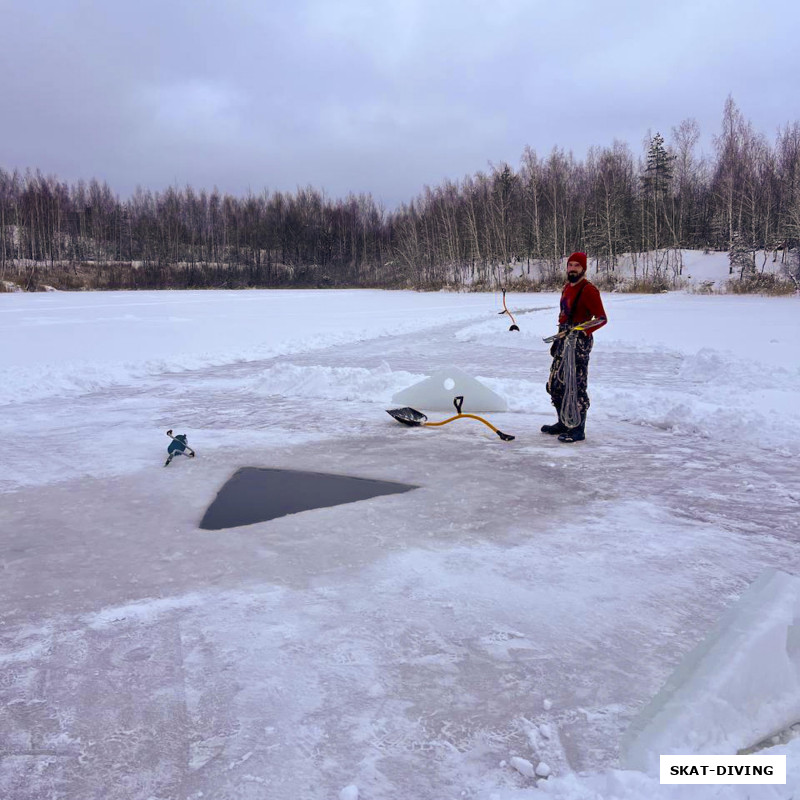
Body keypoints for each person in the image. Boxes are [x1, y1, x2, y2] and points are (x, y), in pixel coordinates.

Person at [541, 252, 607, 443]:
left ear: (583, 268)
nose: (572, 268)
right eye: (570, 265)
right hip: (563, 339)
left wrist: (580, 330)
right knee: (556, 383)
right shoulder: (566, 288)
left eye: (577, 265)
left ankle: (578, 428)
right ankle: (563, 422)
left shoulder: (589, 290)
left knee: (575, 385)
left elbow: (601, 318)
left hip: (578, 343)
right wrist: (559, 339)